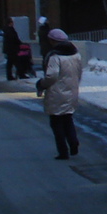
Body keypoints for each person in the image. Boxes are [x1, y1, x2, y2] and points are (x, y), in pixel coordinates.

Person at [35, 28, 84, 160]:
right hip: (72, 91)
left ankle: (63, 151)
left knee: (56, 122)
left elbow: (51, 76)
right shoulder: (76, 54)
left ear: (52, 40)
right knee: (68, 119)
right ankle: (73, 142)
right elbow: (79, 73)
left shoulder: (55, 57)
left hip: (56, 93)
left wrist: (41, 84)